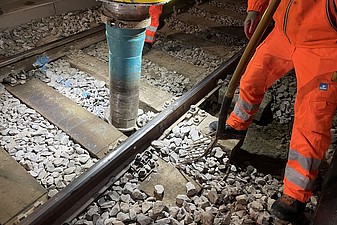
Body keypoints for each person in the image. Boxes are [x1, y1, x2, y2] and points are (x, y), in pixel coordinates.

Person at [210, 0, 337, 222]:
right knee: (252, 78)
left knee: (311, 119)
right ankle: (237, 125)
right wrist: (255, 8)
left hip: (324, 46)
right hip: (284, 35)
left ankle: (296, 193)